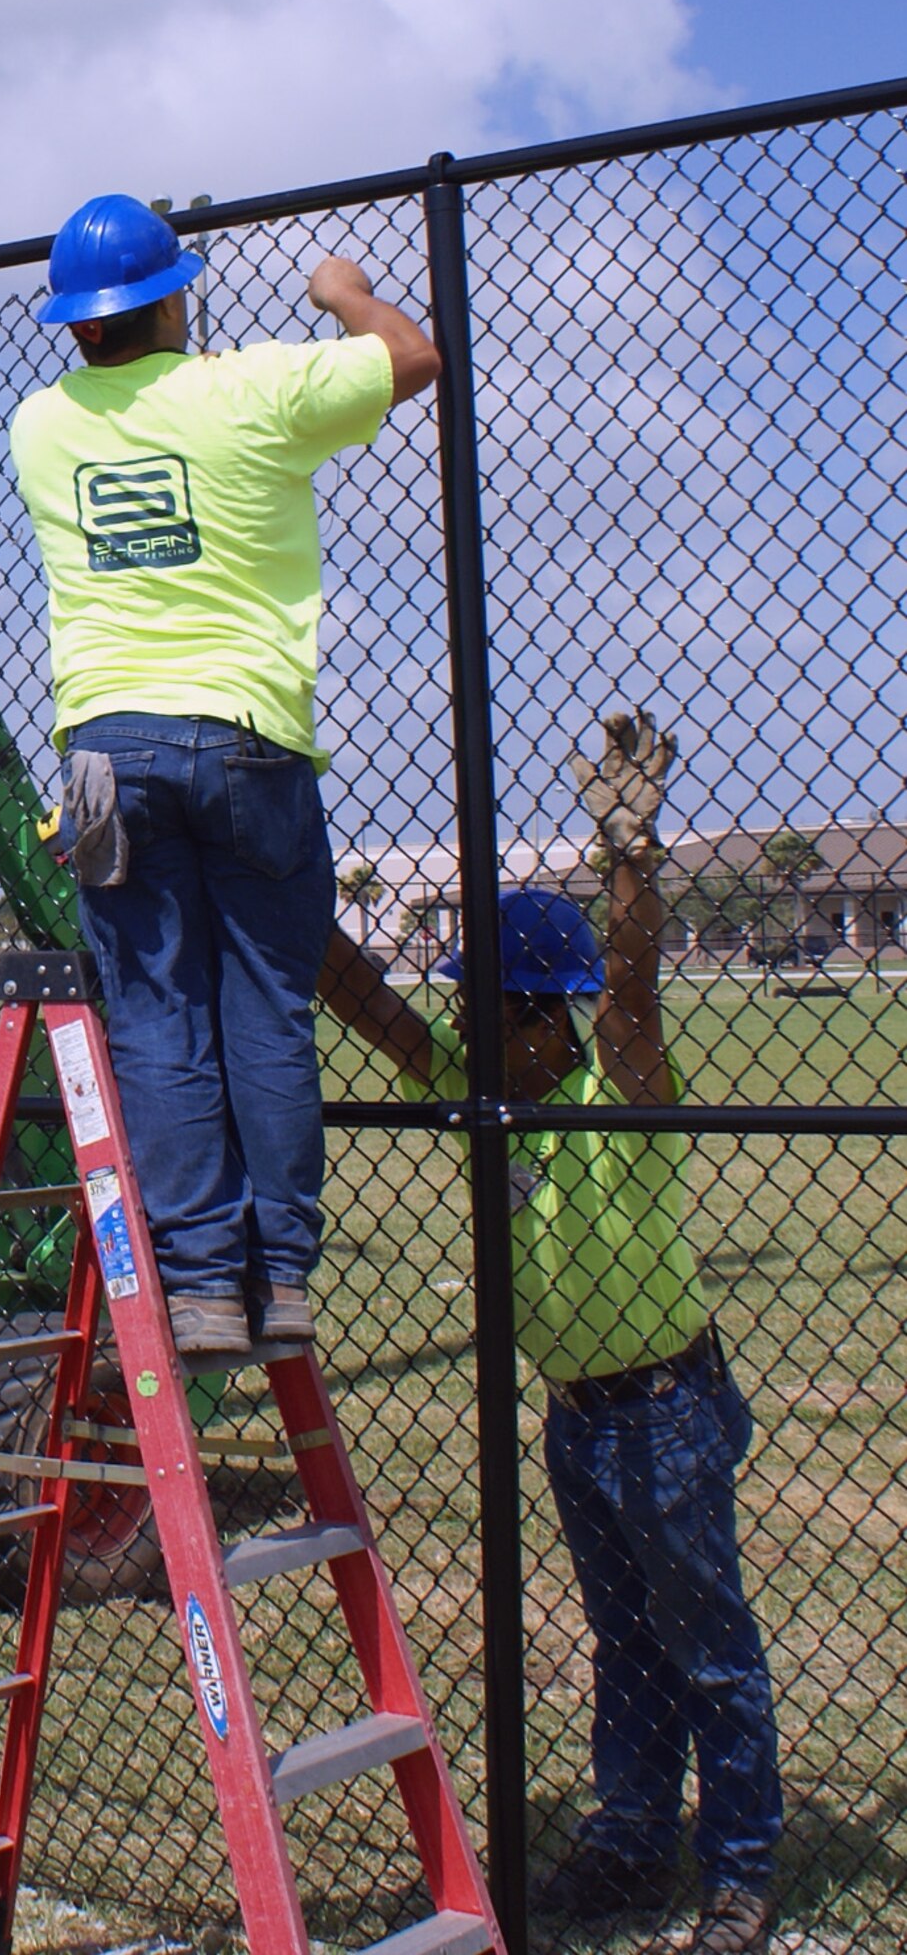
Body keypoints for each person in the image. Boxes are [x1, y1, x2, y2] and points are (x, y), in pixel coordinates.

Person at [316, 711, 781, 1955]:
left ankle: (738, 1869)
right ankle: (630, 1842)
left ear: (543, 1020)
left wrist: (625, 852)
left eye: (491, 1017)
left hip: (665, 1409)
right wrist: (273, 873)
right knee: (625, 1647)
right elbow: (367, 1005)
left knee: (709, 1650)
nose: (466, 1038)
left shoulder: (604, 1097)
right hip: (578, 1417)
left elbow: (629, 992)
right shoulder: (487, 1096)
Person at [7, 192, 441, 1361]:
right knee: (265, 1006)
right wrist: (342, 289)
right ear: (172, 298)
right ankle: (281, 1275)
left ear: (75, 324)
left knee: (153, 1012)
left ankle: (197, 1283)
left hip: (101, 749)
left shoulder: (37, 427)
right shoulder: (249, 392)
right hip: (246, 732)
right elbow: (409, 357)